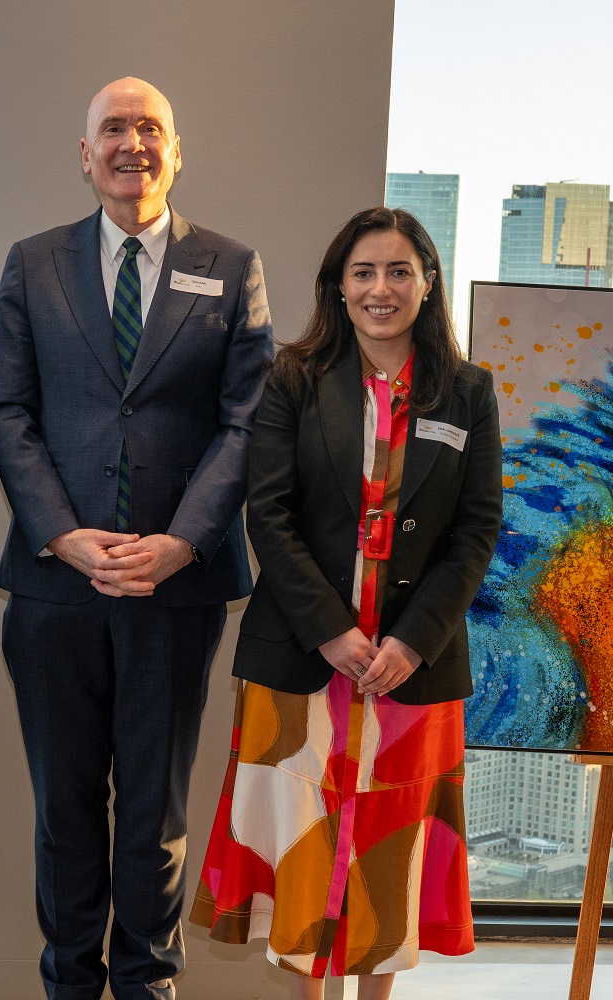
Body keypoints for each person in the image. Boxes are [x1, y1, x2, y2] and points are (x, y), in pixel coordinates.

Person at [0, 77, 273, 1000]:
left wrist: (184, 542)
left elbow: (248, 423)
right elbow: (9, 411)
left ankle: (149, 987)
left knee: (154, 814)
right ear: (85, 153)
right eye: (114, 128)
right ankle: (70, 985)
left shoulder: (232, 268)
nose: (132, 143)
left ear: (177, 152)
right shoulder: (32, 265)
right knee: (66, 813)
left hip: (175, 590)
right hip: (55, 589)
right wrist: (63, 535)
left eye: (151, 128)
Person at [188, 207, 502, 1000]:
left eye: (400, 271)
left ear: (428, 284)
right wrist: (331, 630)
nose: (381, 288)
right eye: (363, 272)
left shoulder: (468, 392)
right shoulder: (292, 377)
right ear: (338, 286)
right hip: (303, 656)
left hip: (410, 670)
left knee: (385, 857)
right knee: (305, 842)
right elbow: (270, 511)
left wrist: (412, 642)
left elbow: (476, 530)